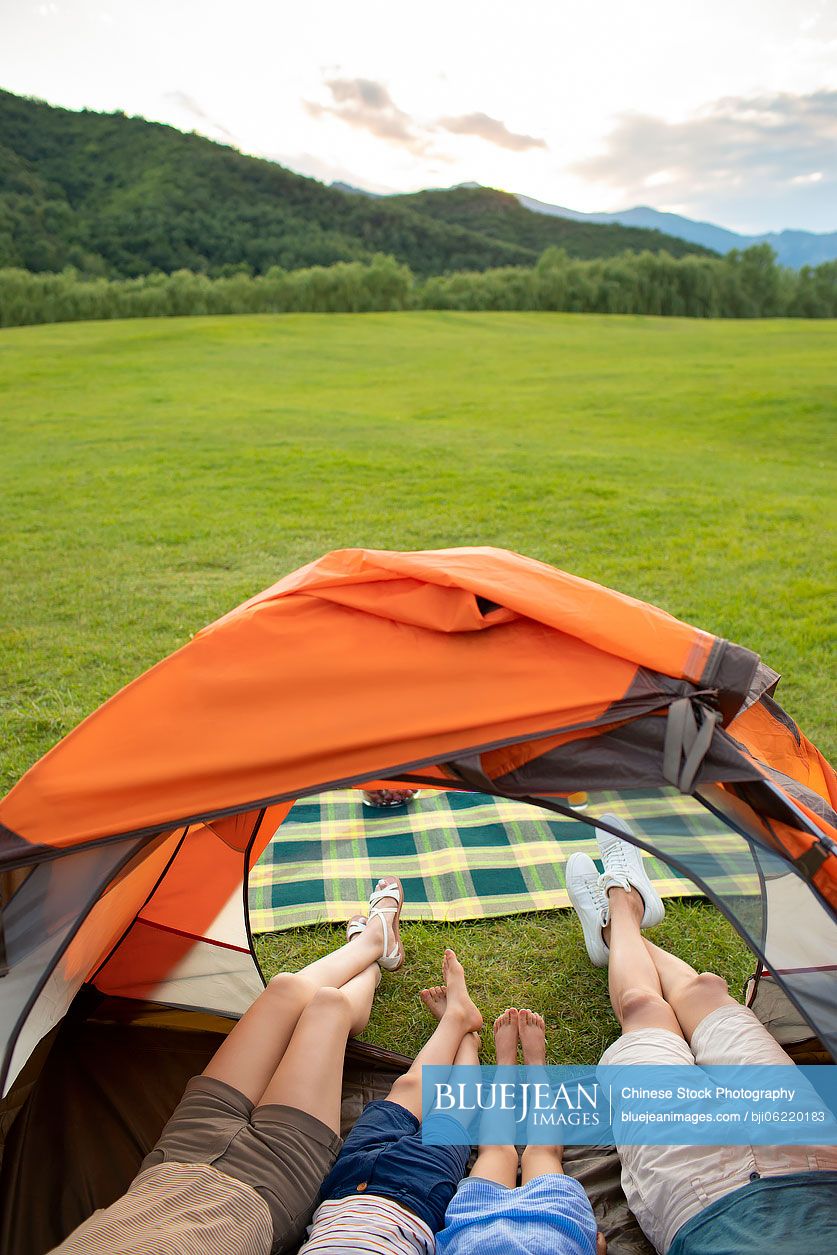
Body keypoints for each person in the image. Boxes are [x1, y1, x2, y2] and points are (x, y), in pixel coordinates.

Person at [49, 875, 408, 1255]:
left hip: (177, 1159)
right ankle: (370, 949)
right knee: (327, 1009)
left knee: (284, 989)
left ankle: (373, 944)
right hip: (264, 1192)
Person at [566, 815, 837, 1255]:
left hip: (698, 1202)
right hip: (815, 1160)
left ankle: (618, 911)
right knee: (707, 990)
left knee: (643, 1010)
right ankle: (619, 915)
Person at [297, 947, 483, 1254]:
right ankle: (465, 1036)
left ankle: (457, 1021)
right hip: (415, 1196)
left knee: (407, 1087)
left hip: (347, 1183)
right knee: (453, 1112)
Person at [435, 1007, 603, 1255]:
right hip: (553, 1231)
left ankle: (506, 1067)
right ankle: (535, 1067)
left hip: (477, 1234)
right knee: (542, 1153)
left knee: (495, 1151)